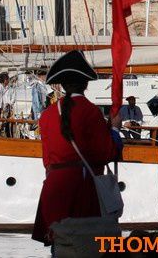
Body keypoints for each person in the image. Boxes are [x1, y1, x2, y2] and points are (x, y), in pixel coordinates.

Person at [32, 50, 122, 251]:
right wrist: (115, 129)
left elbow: (47, 161)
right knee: (85, 246)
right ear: (86, 84)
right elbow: (106, 153)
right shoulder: (91, 111)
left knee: (61, 244)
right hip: (83, 186)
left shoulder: (46, 115)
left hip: (55, 187)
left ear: (62, 85)